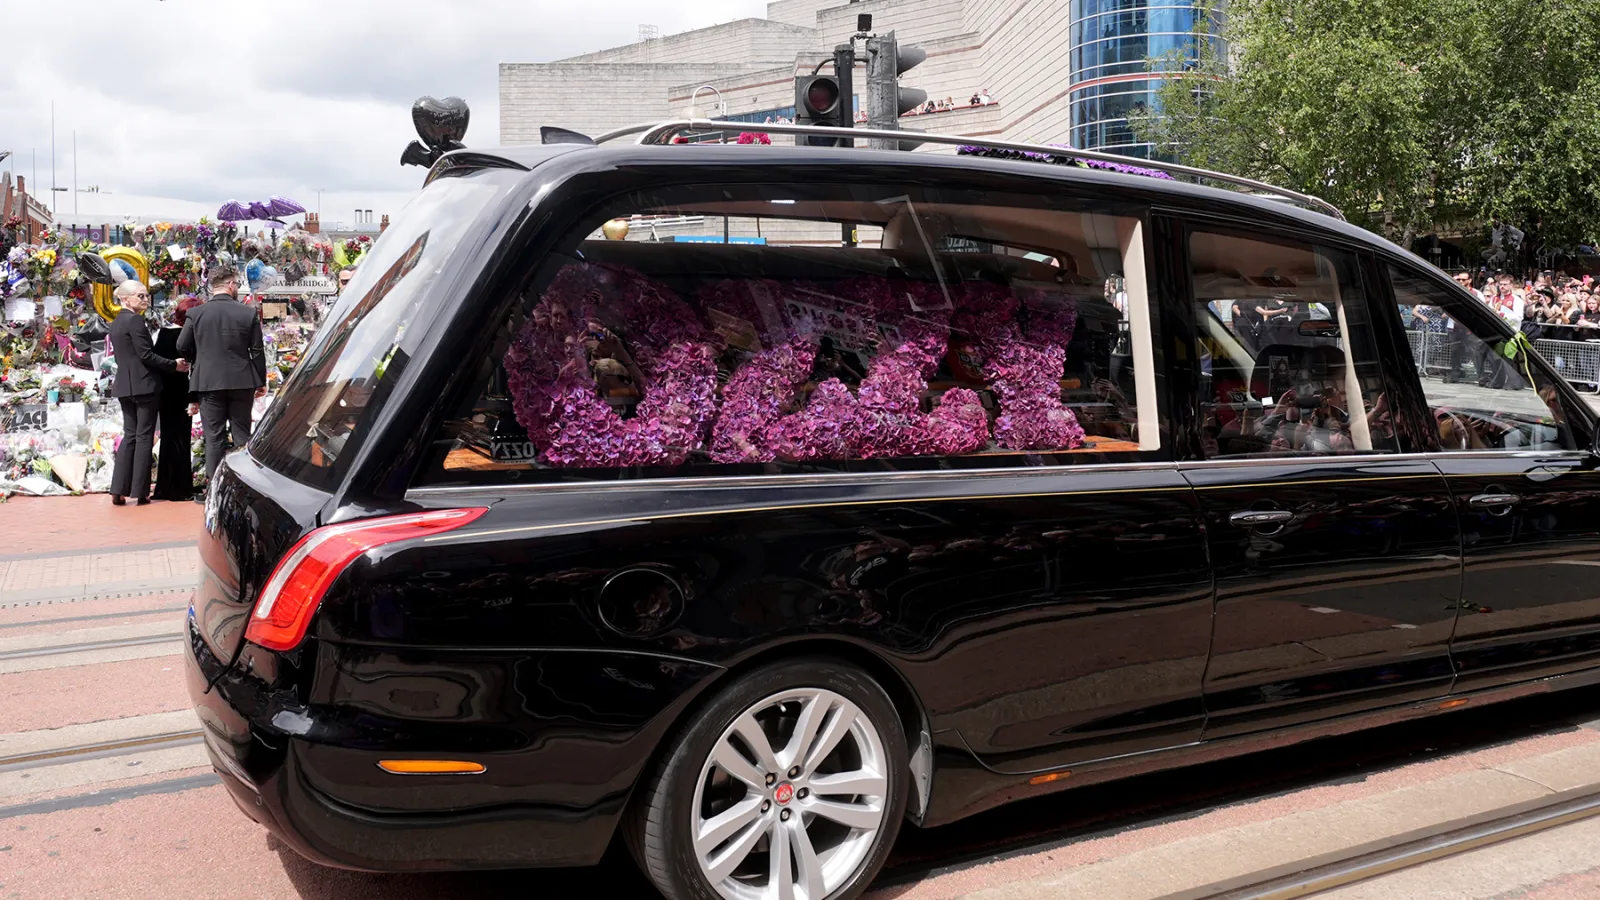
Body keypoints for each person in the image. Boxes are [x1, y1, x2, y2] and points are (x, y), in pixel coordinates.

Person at [179, 265, 267, 485]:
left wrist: (197, 357)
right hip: (242, 380)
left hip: (208, 381)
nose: (237, 287)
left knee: (214, 438)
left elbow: (182, 345)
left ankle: (214, 487)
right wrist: (261, 380)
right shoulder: (248, 312)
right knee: (242, 436)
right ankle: (242, 485)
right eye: (237, 284)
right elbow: (256, 350)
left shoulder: (196, 313)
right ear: (230, 284)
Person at [107, 281, 189, 505]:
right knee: (144, 436)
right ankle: (140, 491)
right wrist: (174, 364)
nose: (145, 300)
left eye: (145, 296)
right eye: (140, 296)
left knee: (130, 435)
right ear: (125, 299)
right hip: (144, 385)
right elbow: (146, 355)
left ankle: (118, 489)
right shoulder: (134, 321)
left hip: (124, 384)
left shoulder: (116, 322)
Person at [151, 296, 205, 501]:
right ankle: (179, 488)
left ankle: (165, 486)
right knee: (181, 437)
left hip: (165, 391)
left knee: (168, 437)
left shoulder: (163, 334)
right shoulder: (189, 336)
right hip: (183, 390)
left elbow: (157, 361)